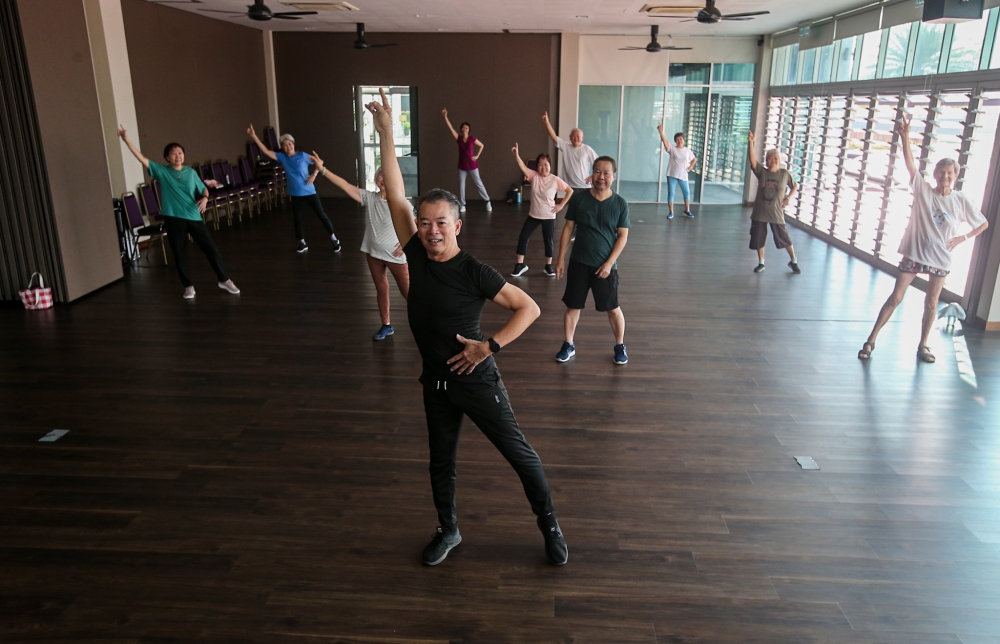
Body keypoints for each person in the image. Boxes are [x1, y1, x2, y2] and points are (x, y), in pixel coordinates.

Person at [370, 89, 567, 567]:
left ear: (457, 226)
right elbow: (395, 192)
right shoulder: (415, 249)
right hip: (435, 383)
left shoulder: (474, 270)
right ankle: (448, 529)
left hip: (475, 379)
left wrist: (489, 347)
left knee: (521, 457)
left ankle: (550, 525)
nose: (431, 230)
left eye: (441, 223)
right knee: (441, 462)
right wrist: (385, 133)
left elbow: (529, 308)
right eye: (424, 223)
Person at [859, 114, 989, 363]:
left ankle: (923, 345)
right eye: (942, 172)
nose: (945, 176)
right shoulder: (924, 190)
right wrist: (905, 136)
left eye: (950, 172)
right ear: (936, 174)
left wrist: (963, 237)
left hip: (941, 259)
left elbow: (983, 223)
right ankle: (871, 339)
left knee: (931, 303)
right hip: (915, 254)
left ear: (956, 175)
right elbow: (910, 164)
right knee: (896, 297)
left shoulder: (961, 200)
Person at [117, 125, 240, 300]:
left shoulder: (190, 172)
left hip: (193, 215)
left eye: (180, 153)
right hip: (173, 217)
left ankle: (224, 279)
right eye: (174, 153)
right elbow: (142, 158)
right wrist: (126, 139)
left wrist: (205, 198)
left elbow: (204, 189)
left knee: (211, 249)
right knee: (179, 253)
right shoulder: (162, 171)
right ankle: (188, 286)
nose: (178, 156)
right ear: (167, 157)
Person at [308, 153, 409, 341]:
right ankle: (386, 325)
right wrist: (323, 170)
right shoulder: (369, 198)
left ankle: (427, 323)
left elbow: (418, 224)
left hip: (395, 256)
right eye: (380, 174)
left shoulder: (400, 202)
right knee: (381, 289)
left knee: (408, 293)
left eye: (387, 175)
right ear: (376, 179)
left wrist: (407, 244)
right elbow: (345, 185)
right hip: (373, 253)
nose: (383, 178)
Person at [554, 157, 630, 365]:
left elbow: (622, 236)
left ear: (613, 176)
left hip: (605, 267)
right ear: (592, 174)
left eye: (606, 173)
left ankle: (619, 345)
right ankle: (568, 344)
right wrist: (560, 259)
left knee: (613, 308)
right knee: (572, 306)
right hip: (579, 262)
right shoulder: (579, 199)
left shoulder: (620, 204)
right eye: (597, 172)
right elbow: (568, 228)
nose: (601, 177)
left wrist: (608, 263)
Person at [247, 124, 341, 253]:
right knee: (297, 218)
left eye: (290, 143)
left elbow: (320, 162)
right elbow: (266, 151)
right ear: (283, 148)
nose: (288, 146)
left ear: (293, 144)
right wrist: (253, 135)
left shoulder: (302, 156)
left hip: (309, 191)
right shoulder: (283, 158)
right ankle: (302, 243)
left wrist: (314, 175)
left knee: (321, 215)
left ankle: (334, 239)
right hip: (295, 193)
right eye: (285, 145)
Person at [510, 143, 574, 277]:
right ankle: (519, 264)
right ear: (537, 166)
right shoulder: (534, 176)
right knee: (523, 237)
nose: (543, 167)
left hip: (549, 216)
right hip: (533, 215)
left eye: (546, 164)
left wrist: (561, 205)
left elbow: (569, 190)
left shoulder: (555, 180)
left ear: (550, 166)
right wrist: (516, 155)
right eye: (540, 164)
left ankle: (548, 266)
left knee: (548, 241)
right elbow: (521, 165)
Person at [747, 131, 800, 274]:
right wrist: (751, 142)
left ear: (779, 160)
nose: (773, 160)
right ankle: (761, 262)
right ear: (766, 161)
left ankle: (793, 260)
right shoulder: (762, 172)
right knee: (759, 238)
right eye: (770, 158)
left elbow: (795, 186)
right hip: (760, 212)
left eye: (776, 158)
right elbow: (752, 161)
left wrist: (788, 198)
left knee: (784, 237)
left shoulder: (784, 174)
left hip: (776, 213)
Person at [441, 109, 491, 214]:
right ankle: (462, 204)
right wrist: (445, 117)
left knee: (479, 183)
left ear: (469, 130)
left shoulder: (472, 139)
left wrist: (477, 156)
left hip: (472, 165)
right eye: (463, 128)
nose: (465, 129)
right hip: (462, 166)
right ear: (461, 129)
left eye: (467, 128)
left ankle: (487, 201)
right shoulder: (458, 138)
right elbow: (451, 128)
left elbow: (482, 145)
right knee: (461, 185)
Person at [542, 111, 599, 190]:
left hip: (584, 186)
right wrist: (547, 123)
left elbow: (598, 163)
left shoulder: (587, 149)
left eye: (578, 136)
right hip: (569, 187)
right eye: (573, 136)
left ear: (582, 138)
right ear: (570, 137)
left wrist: (593, 176)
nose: (576, 138)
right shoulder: (565, 146)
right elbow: (554, 137)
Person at [657, 124, 697, 219]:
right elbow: (665, 141)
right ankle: (671, 212)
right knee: (671, 193)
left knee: (686, 193)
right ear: (675, 141)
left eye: (681, 139)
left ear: (684, 140)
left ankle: (687, 210)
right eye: (678, 139)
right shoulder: (672, 149)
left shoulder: (687, 151)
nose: (680, 140)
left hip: (683, 175)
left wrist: (690, 168)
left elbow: (694, 159)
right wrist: (661, 131)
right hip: (672, 175)